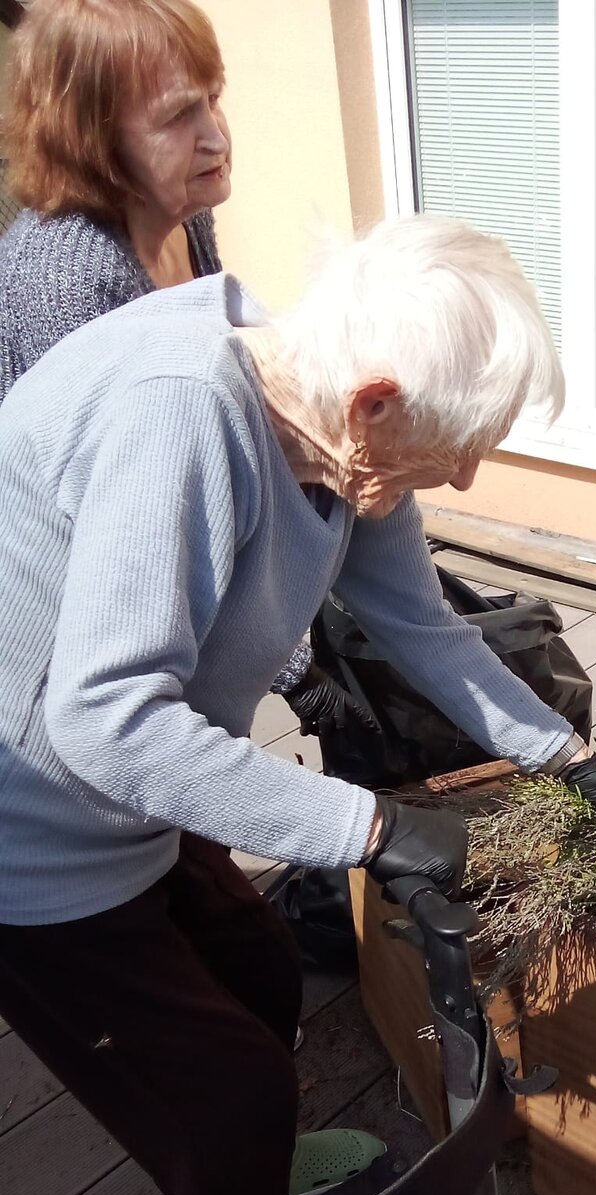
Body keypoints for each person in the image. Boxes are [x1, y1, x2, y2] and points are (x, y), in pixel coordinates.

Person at [0, 212, 596, 1195]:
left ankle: (260, 1180)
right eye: (458, 450)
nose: (462, 480)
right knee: (228, 1097)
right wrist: (374, 828)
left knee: (261, 971)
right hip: (32, 830)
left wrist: (566, 755)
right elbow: (105, 720)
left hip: (141, 792)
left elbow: (426, 630)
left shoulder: (341, 435)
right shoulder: (183, 412)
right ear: (375, 403)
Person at [0, 0, 361, 735]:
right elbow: (137, 531)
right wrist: (294, 670)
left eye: (213, 99)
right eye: (176, 117)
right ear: (92, 141)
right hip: (61, 654)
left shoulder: (185, 215)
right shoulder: (69, 277)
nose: (216, 136)